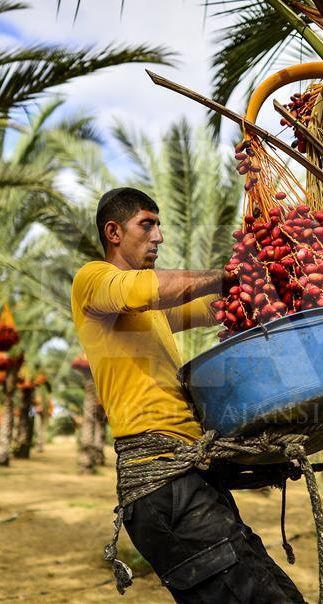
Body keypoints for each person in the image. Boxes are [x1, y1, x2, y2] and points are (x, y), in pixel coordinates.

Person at [71, 187, 305, 603]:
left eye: (159, 225)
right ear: (113, 231)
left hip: (190, 478)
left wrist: (277, 274)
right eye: (147, 224)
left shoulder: (154, 311)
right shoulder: (93, 281)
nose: (159, 236)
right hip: (164, 489)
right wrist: (229, 272)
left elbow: (221, 305)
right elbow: (146, 290)